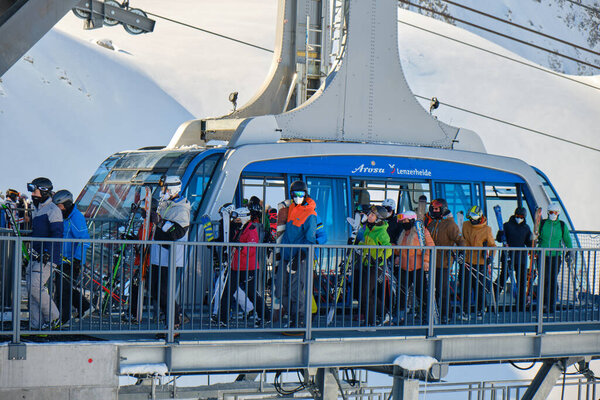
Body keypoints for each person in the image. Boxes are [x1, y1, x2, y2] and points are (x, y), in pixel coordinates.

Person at [218, 203, 271, 326]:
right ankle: (223, 319)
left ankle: (266, 316)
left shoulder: (251, 230)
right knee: (227, 292)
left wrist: (239, 247)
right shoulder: (239, 230)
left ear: (243, 217)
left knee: (252, 294)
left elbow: (251, 249)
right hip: (236, 267)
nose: (235, 220)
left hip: (248, 268)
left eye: (237, 218)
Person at [148, 176, 191, 328]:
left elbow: (177, 232)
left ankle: (173, 324)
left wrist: (159, 221)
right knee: (153, 288)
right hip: (158, 255)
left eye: (164, 188)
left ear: (172, 188)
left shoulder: (181, 208)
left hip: (170, 257)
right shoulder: (166, 204)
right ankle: (176, 315)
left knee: (163, 292)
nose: (162, 191)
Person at [279, 180, 318, 327]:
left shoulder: (310, 214)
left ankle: (300, 319)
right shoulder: (291, 209)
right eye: (294, 194)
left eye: (301, 194)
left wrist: (299, 257)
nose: (297, 197)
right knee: (284, 288)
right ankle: (292, 316)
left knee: (297, 289)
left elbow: (310, 239)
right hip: (287, 255)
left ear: (305, 194)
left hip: (300, 258)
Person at [27, 177, 62, 329]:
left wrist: (48, 253)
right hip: (35, 255)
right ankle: (36, 324)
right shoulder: (38, 209)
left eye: (34, 190)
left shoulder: (53, 210)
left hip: (47, 258)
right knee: (30, 288)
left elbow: (57, 234)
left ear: (43, 191)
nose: (32, 194)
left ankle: (54, 318)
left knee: (36, 287)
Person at [52, 190, 91, 324]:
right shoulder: (63, 216)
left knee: (63, 290)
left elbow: (84, 239)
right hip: (61, 258)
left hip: (71, 260)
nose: (58, 209)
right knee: (64, 287)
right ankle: (85, 307)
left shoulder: (76, 218)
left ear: (67, 204)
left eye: (60, 206)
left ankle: (64, 319)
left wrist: (77, 260)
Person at [425, 198, 465, 322]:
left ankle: (445, 314)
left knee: (442, 290)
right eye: (433, 209)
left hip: (444, 262)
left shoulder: (450, 224)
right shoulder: (431, 224)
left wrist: (461, 254)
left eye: (437, 209)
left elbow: (460, 240)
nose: (434, 211)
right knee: (431, 289)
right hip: (430, 262)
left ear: (443, 209)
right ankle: (432, 313)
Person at [354, 205, 392, 325]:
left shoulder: (381, 232)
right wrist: (355, 244)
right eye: (369, 214)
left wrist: (379, 258)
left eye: (372, 215)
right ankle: (384, 313)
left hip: (376, 266)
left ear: (378, 218)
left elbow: (388, 248)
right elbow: (362, 243)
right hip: (366, 263)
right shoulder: (367, 228)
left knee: (365, 293)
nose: (368, 216)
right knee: (363, 293)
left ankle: (370, 322)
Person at [395, 211, 434, 323]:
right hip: (404, 267)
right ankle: (400, 315)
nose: (403, 222)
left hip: (417, 267)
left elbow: (430, 246)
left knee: (420, 292)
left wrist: (426, 261)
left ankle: (425, 315)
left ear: (411, 220)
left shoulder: (421, 232)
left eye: (405, 220)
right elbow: (401, 249)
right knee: (401, 292)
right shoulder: (403, 233)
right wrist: (397, 254)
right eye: (402, 220)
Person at [494, 206, 532, 312]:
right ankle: (493, 297)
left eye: (521, 216)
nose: (519, 218)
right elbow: (498, 238)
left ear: (524, 217)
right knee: (503, 277)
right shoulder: (507, 225)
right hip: (508, 256)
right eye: (517, 216)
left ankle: (520, 304)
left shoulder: (526, 228)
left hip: (521, 258)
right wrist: (501, 235)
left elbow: (528, 244)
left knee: (521, 280)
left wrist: (533, 241)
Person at [461, 205, 496, 319]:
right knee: (465, 287)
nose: (472, 220)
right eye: (471, 218)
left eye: (475, 218)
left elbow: (492, 245)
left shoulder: (486, 229)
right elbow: (462, 240)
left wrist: (490, 257)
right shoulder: (466, 225)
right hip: (466, 261)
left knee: (479, 287)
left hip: (480, 262)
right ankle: (465, 311)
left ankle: (481, 309)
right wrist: (459, 252)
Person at [537, 203, 573, 313]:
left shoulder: (562, 225)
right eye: (551, 212)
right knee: (544, 279)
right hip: (543, 255)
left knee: (552, 279)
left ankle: (551, 304)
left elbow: (567, 239)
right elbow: (536, 235)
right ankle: (543, 304)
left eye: (555, 213)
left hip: (555, 257)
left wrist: (570, 251)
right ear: (548, 213)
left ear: (558, 213)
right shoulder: (543, 224)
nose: (553, 214)